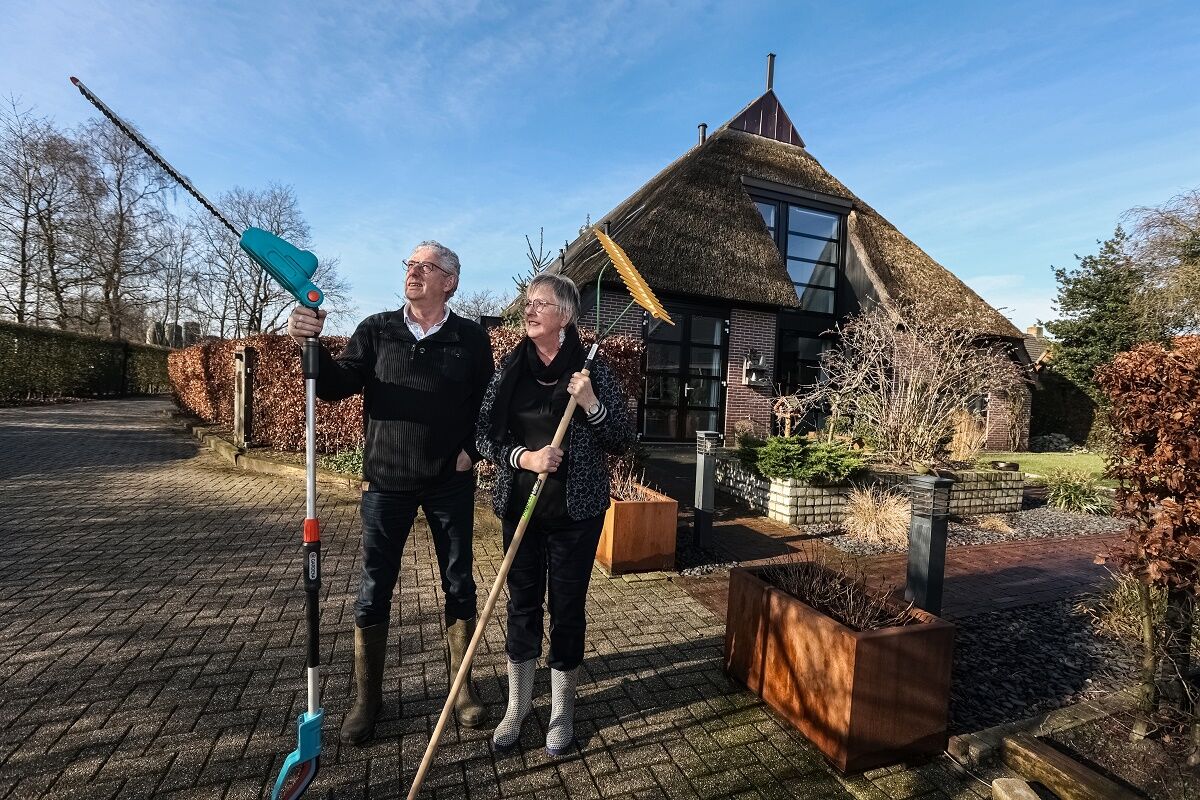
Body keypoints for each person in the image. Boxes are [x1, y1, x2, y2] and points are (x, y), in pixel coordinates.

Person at [287, 240, 494, 745]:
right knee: (375, 585)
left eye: (427, 266)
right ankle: (367, 699)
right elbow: (335, 385)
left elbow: (489, 404)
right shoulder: (376, 330)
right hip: (386, 483)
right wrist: (308, 343)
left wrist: (473, 450)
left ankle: (460, 689)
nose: (414, 272)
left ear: (450, 282)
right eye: (410, 264)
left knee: (459, 581)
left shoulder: (471, 338)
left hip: (450, 480)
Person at [475, 273, 633, 756]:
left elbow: (622, 439)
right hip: (520, 509)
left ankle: (562, 712)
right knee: (520, 606)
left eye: (539, 303)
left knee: (566, 610)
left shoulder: (592, 367)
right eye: (527, 302)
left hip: (576, 514)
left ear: (564, 315)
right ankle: (517, 707)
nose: (528, 310)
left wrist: (590, 404)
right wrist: (525, 458)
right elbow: (483, 435)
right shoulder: (510, 366)